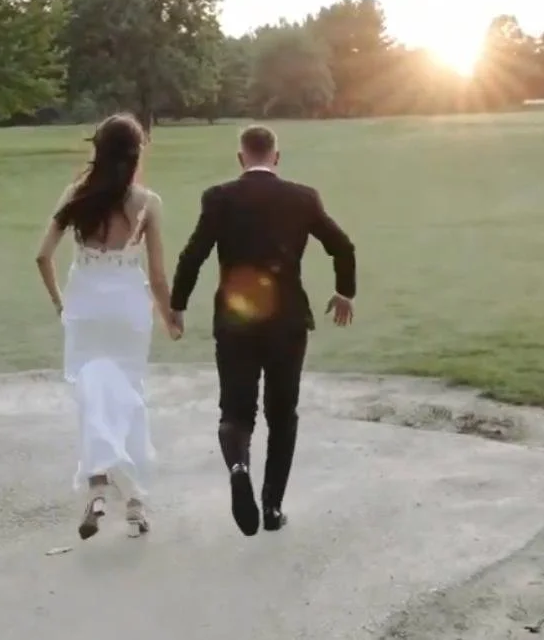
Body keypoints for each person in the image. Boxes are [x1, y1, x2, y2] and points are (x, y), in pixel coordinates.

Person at [169, 124, 356, 537]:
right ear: (276, 156)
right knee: (282, 414)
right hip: (287, 320)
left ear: (240, 159)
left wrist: (177, 307)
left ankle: (239, 468)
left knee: (236, 411)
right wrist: (345, 293)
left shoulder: (219, 198)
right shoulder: (303, 197)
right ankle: (272, 507)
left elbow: (193, 255)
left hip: (235, 322)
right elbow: (342, 246)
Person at [33, 113, 183, 540]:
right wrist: (170, 316)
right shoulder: (147, 203)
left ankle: (97, 492)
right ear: (136, 153)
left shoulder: (75, 195)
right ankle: (135, 502)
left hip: (84, 307)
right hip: (127, 308)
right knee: (129, 397)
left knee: (93, 395)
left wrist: (62, 306)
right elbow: (156, 277)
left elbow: (43, 256)